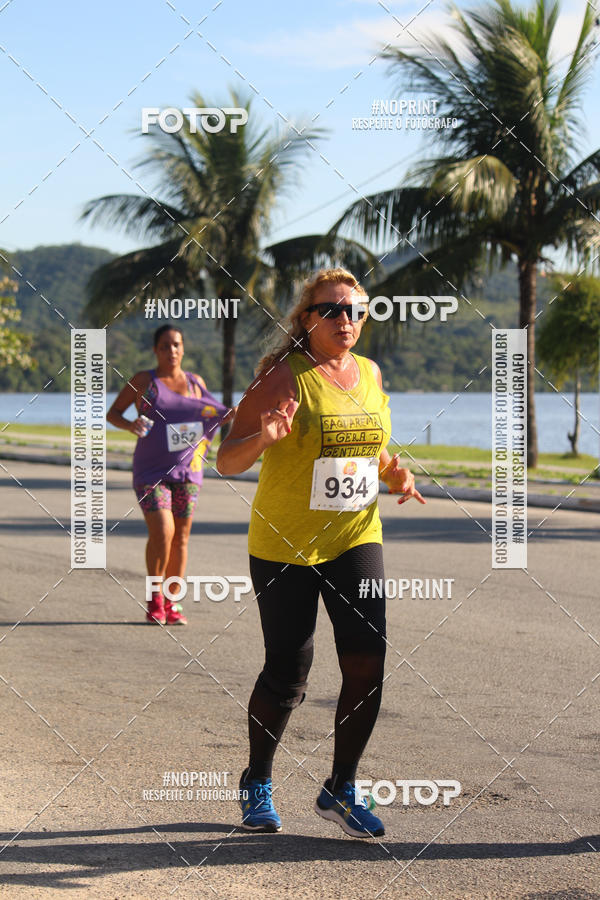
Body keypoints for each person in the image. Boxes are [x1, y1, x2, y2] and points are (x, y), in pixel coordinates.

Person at [217, 268, 425, 838]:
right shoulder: (283, 379)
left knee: (368, 660)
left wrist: (395, 472)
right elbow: (225, 460)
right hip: (284, 543)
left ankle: (340, 788)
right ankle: (257, 780)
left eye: (357, 311)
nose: (346, 321)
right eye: (333, 310)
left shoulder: (370, 373)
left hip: (355, 535)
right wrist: (263, 438)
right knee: (290, 669)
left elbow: (370, 441)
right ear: (306, 320)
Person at [107, 324, 229, 626]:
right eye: (165, 346)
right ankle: (154, 598)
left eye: (176, 345)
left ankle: (172, 601)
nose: (171, 350)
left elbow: (213, 412)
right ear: (155, 350)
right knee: (163, 532)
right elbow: (114, 413)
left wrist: (234, 415)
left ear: (183, 348)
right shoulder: (144, 381)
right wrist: (131, 425)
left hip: (188, 471)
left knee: (181, 539)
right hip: (150, 471)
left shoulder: (195, 383)